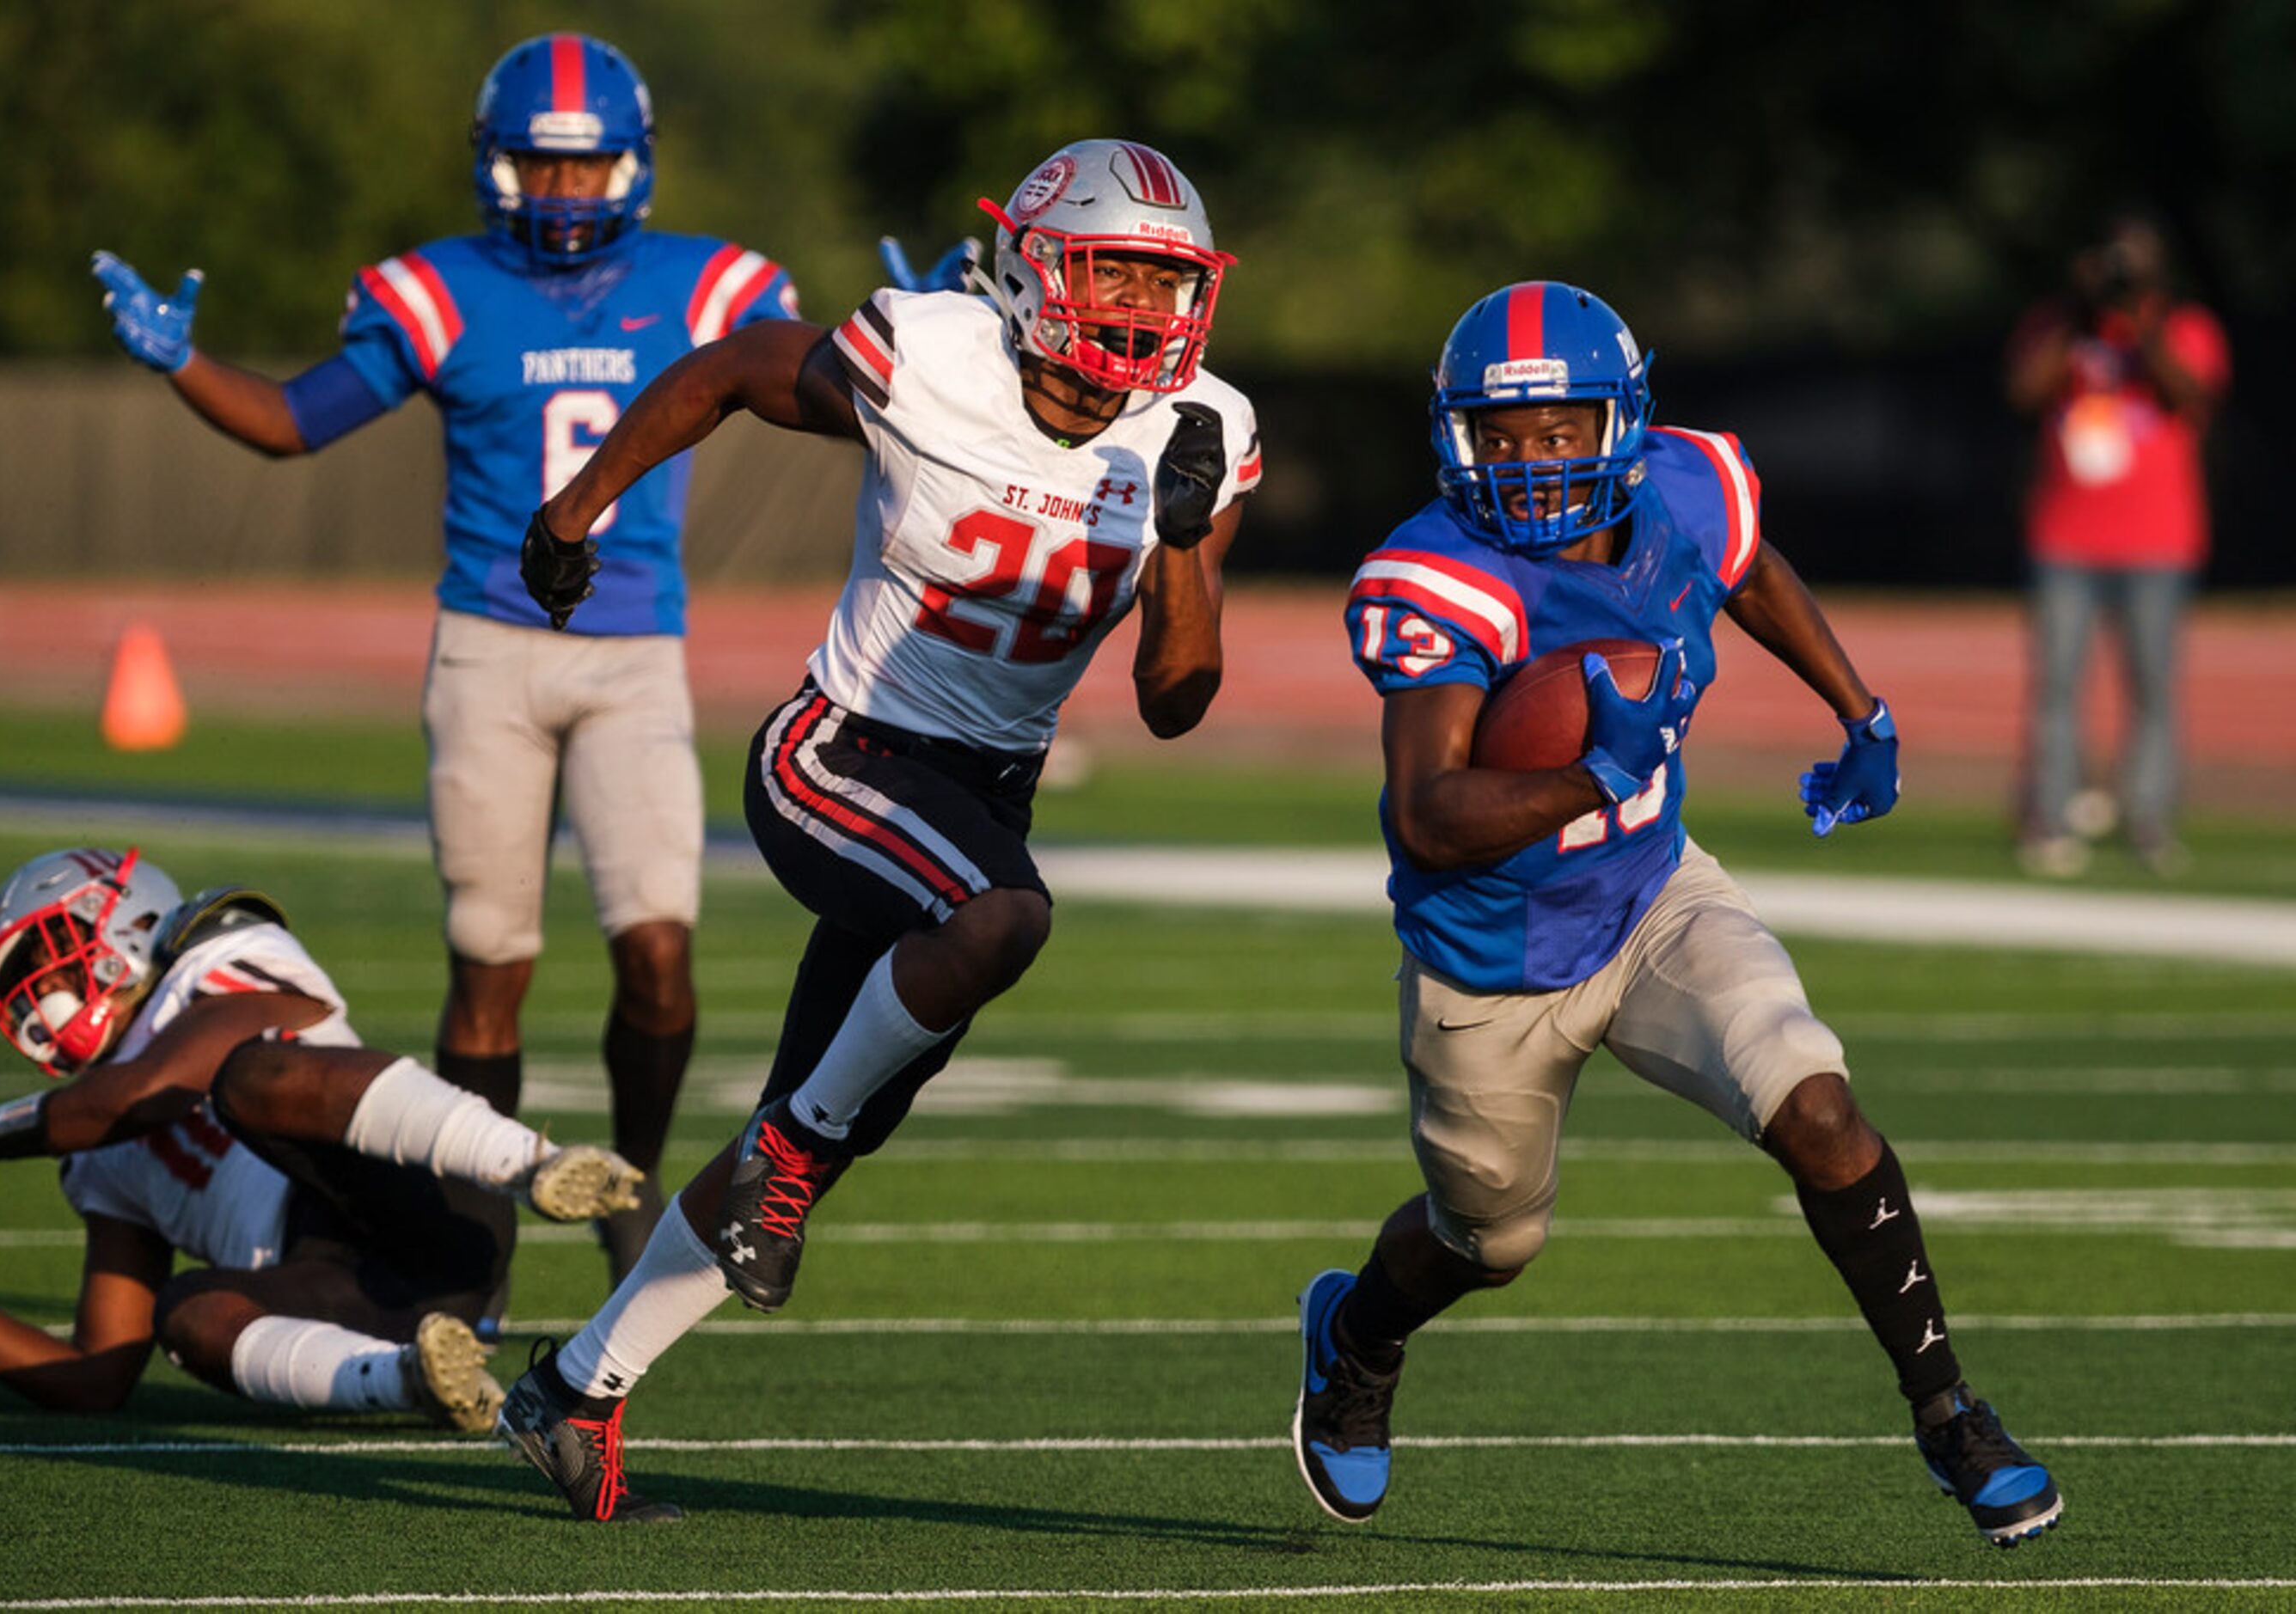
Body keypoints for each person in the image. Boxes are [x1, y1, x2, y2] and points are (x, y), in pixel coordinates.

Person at [493, 138, 1263, 1522]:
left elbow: (1175, 703)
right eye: (1116, 273)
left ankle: (573, 1386)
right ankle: (779, 1166)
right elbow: (727, 369)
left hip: (978, 799)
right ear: (1035, 268)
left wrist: (1191, 536)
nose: (1145, 313)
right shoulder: (936, 353)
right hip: (838, 755)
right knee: (1000, 923)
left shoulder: (1196, 423)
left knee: (811, 1132)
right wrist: (573, 510)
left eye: (1166, 283)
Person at [1295, 282, 2062, 1550]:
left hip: (1655, 893)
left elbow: (1747, 567)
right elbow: (1428, 815)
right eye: (1502, 436)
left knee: (1819, 1105)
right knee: (1488, 1237)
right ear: (1455, 437)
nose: (1533, 466)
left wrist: (1858, 708)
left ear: (1624, 421)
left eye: (1561, 432)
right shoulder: (1441, 576)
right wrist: (1585, 772)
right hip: (1495, 960)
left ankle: (1949, 1415)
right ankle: (1357, 1332)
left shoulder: (1691, 485)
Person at [85, 34, 802, 1283]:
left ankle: (631, 1174)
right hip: (489, 651)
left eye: (588, 171)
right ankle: (481, 1222)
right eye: (541, 167)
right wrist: (184, 364)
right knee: (491, 964)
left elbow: (829, 382)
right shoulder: (440, 288)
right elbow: (299, 422)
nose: (567, 194)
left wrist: (946, 336)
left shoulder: (714, 285)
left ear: (633, 169)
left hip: (636, 650)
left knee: (661, 948)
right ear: (497, 166)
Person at [0, 847, 640, 1427]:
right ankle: (412, 1378)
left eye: (46, 965)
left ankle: (535, 1162)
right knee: (184, 1312)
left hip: (433, 1201)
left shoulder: (218, 954)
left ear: (122, 918)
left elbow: (139, 1097)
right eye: (24, 993)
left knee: (245, 1078)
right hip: (345, 1294)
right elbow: (97, 1374)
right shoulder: (91, 1152)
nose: (39, 1004)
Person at [2004, 208, 2230, 877]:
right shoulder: (2058, 324)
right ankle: (2049, 814)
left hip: (2158, 538)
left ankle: (2150, 817)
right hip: (2066, 535)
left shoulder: (2187, 326)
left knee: (2155, 687)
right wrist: (2079, 316)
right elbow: (2022, 392)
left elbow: (2189, 393)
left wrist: (2144, 319)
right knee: (2057, 687)